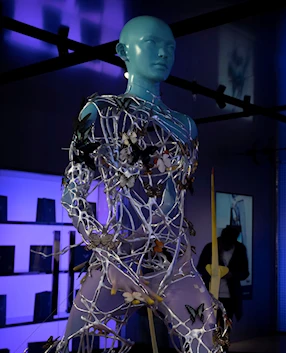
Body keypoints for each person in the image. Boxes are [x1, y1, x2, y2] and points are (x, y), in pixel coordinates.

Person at [54, 15, 227, 353]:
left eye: (170, 47)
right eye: (152, 44)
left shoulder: (186, 126)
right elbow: (73, 192)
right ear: (123, 50)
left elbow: (175, 199)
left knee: (209, 345)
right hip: (117, 258)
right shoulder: (101, 111)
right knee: (76, 344)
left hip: (172, 263)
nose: (164, 53)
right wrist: (103, 247)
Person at [198, 225, 250, 324]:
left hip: (230, 296)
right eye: (225, 242)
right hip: (211, 294)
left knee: (225, 327)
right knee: (209, 325)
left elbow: (245, 273)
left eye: (230, 243)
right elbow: (200, 268)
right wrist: (211, 272)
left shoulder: (240, 249)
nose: (226, 246)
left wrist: (232, 275)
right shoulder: (210, 248)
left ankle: (224, 339)